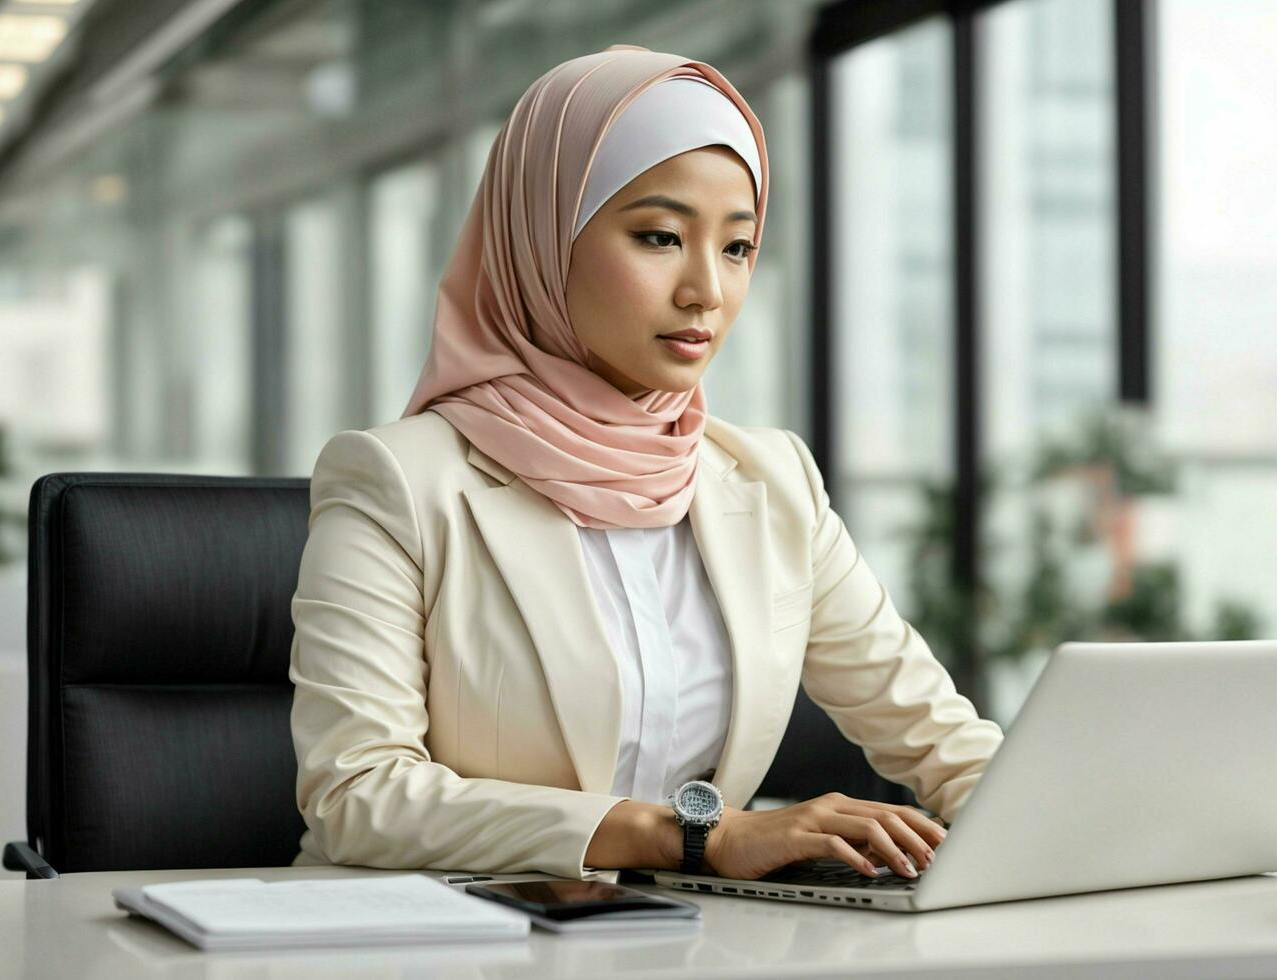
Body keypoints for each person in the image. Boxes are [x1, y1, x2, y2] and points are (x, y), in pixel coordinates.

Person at [288, 45, 1002, 884]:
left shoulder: (771, 482)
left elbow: (943, 743)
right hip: (439, 942)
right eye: (660, 237)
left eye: (737, 248)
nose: (706, 289)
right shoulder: (398, 483)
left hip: (678, 942)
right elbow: (358, 794)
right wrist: (694, 837)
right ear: (544, 239)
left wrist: (1085, 834)